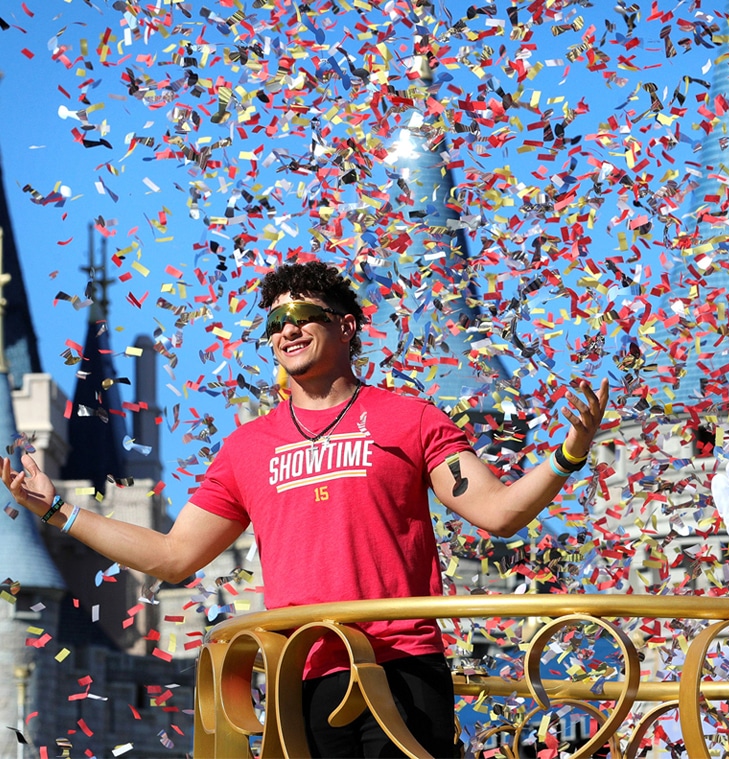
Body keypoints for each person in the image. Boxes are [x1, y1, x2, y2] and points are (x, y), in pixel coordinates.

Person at [1, 259, 610, 759]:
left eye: (302, 316)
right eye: (274, 322)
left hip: (401, 666)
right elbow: (172, 557)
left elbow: (499, 513)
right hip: (302, 671)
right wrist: (57, 512)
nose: (286, 330)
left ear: (347, 327)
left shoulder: (410, 419)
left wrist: (567, 455)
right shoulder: (246, 448)